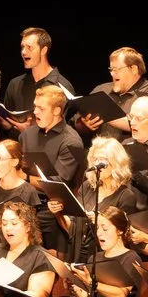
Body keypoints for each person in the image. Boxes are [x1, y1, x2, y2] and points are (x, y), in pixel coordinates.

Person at [20, 84, 86, 252]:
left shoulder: (71, 141)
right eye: (35, 106)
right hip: (23, 201)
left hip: (49, 209)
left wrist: (24, 177)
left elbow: (57, 184)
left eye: (41, 108)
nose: (35, 112)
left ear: (57, 111)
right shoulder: (27, 134)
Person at [77, 46, 148, 140]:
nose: (112, 74)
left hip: (134, 153)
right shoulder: (101, 89)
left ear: (133, 69)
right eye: (111, 69)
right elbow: (76, 123)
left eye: (116, 69)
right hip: (98, 152)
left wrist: (103, 115)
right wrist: (84, 124)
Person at [4, 26, 77, 115]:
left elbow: (65, 126)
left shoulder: (62, 87)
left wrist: (29, 129)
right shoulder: (15, 84)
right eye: (22, 47)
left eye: (29, 47)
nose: (23, 52)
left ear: (43, 50)